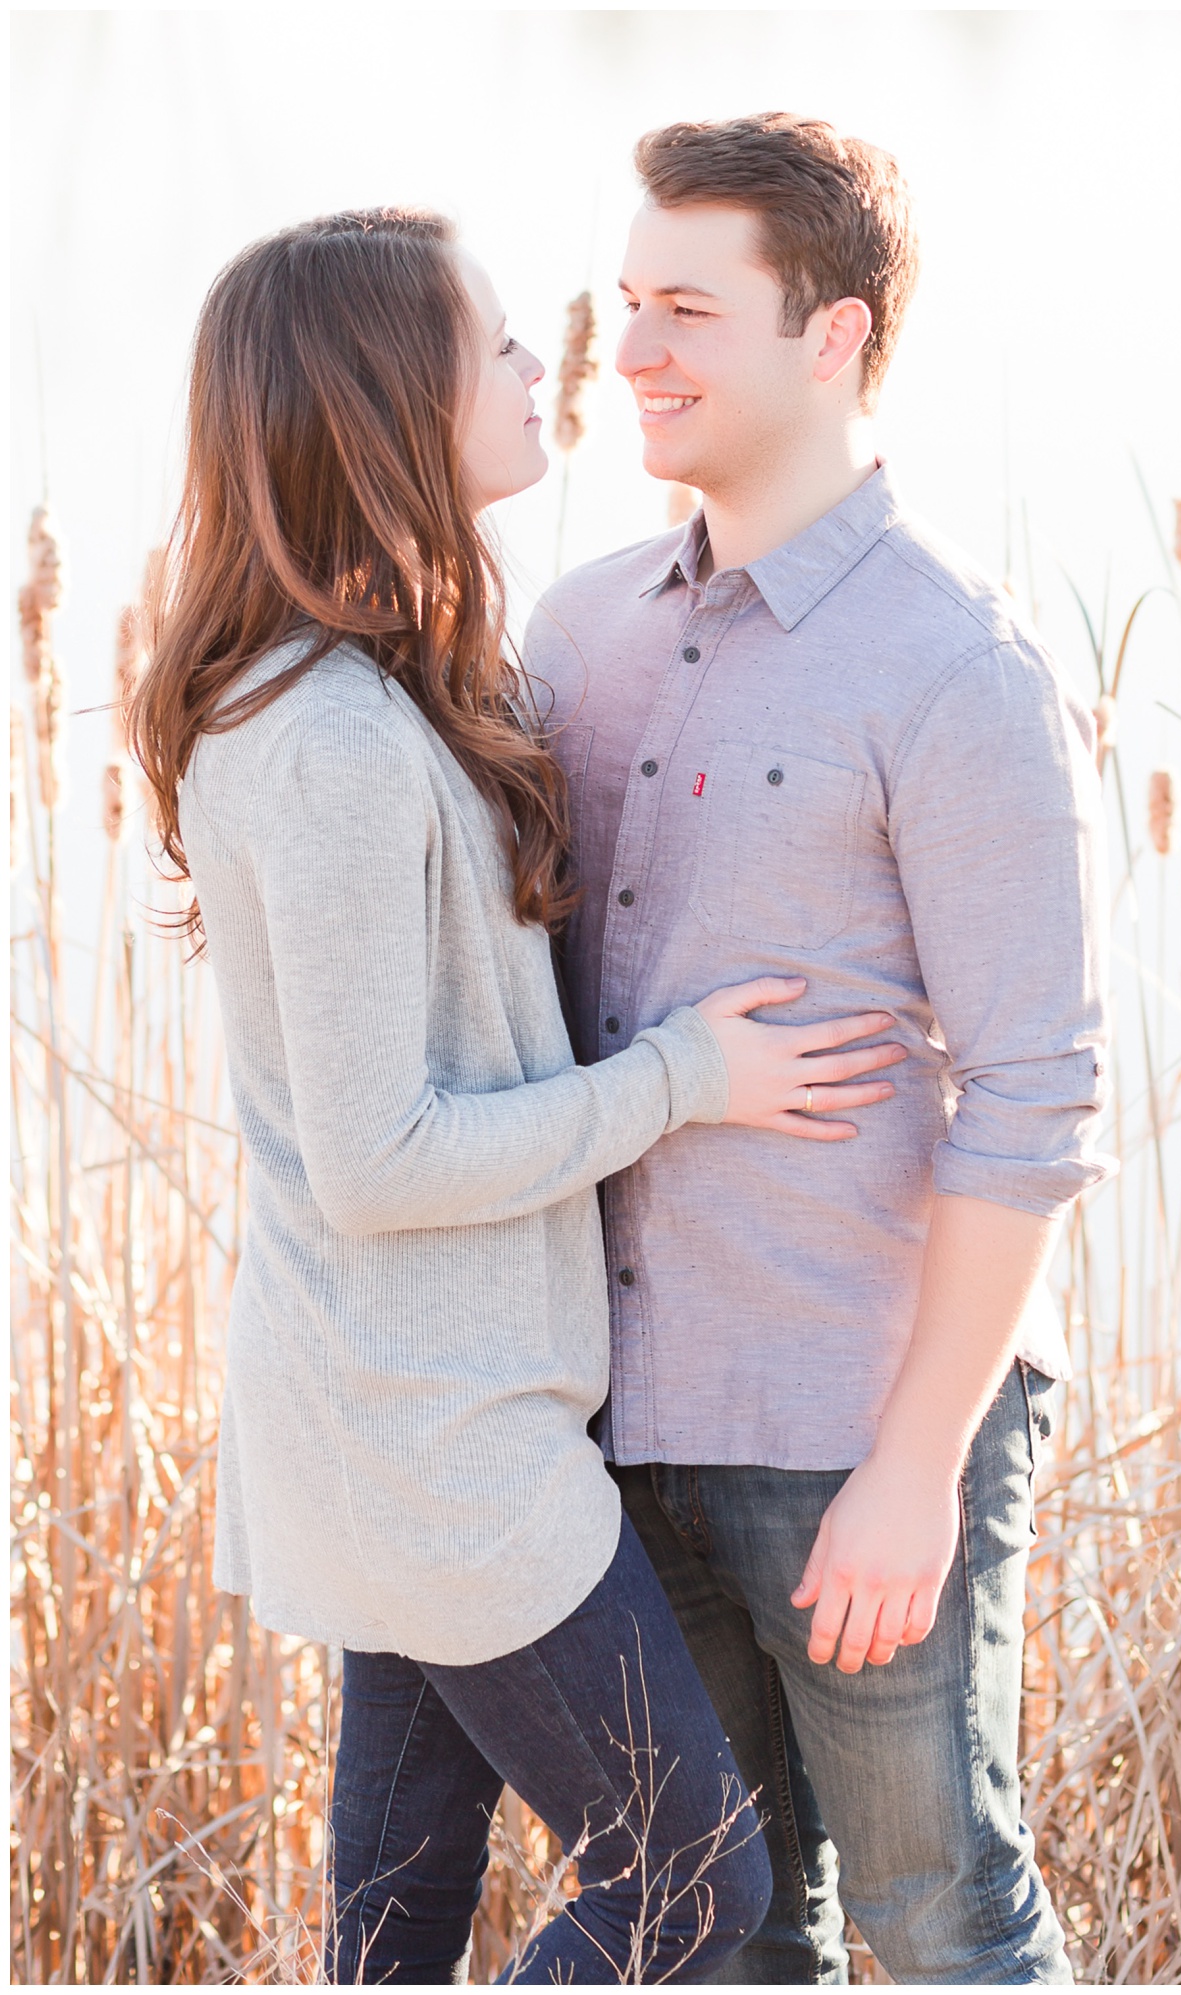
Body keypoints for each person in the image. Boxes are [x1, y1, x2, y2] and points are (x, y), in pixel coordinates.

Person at [127, 207, 907, 1985]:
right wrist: (683, 1078)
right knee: (698, 1890)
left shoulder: (377, 687)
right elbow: (381, 1158)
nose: (540, 361)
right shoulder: (318, 736)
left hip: (411, 1409)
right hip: (436, 1444)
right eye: (492, 342)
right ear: (383, 399)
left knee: (396, 1920)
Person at [526, 116, 1114, 1985]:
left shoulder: (956, 669)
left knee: (945, 1924)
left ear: (836, 334)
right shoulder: (580, 631)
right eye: (627, 304)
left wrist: (916, 1463)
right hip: (622, 1431)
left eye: (687, 307)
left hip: (853, 1428)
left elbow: (1036, 1096)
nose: (632, 350)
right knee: (713, 1936)